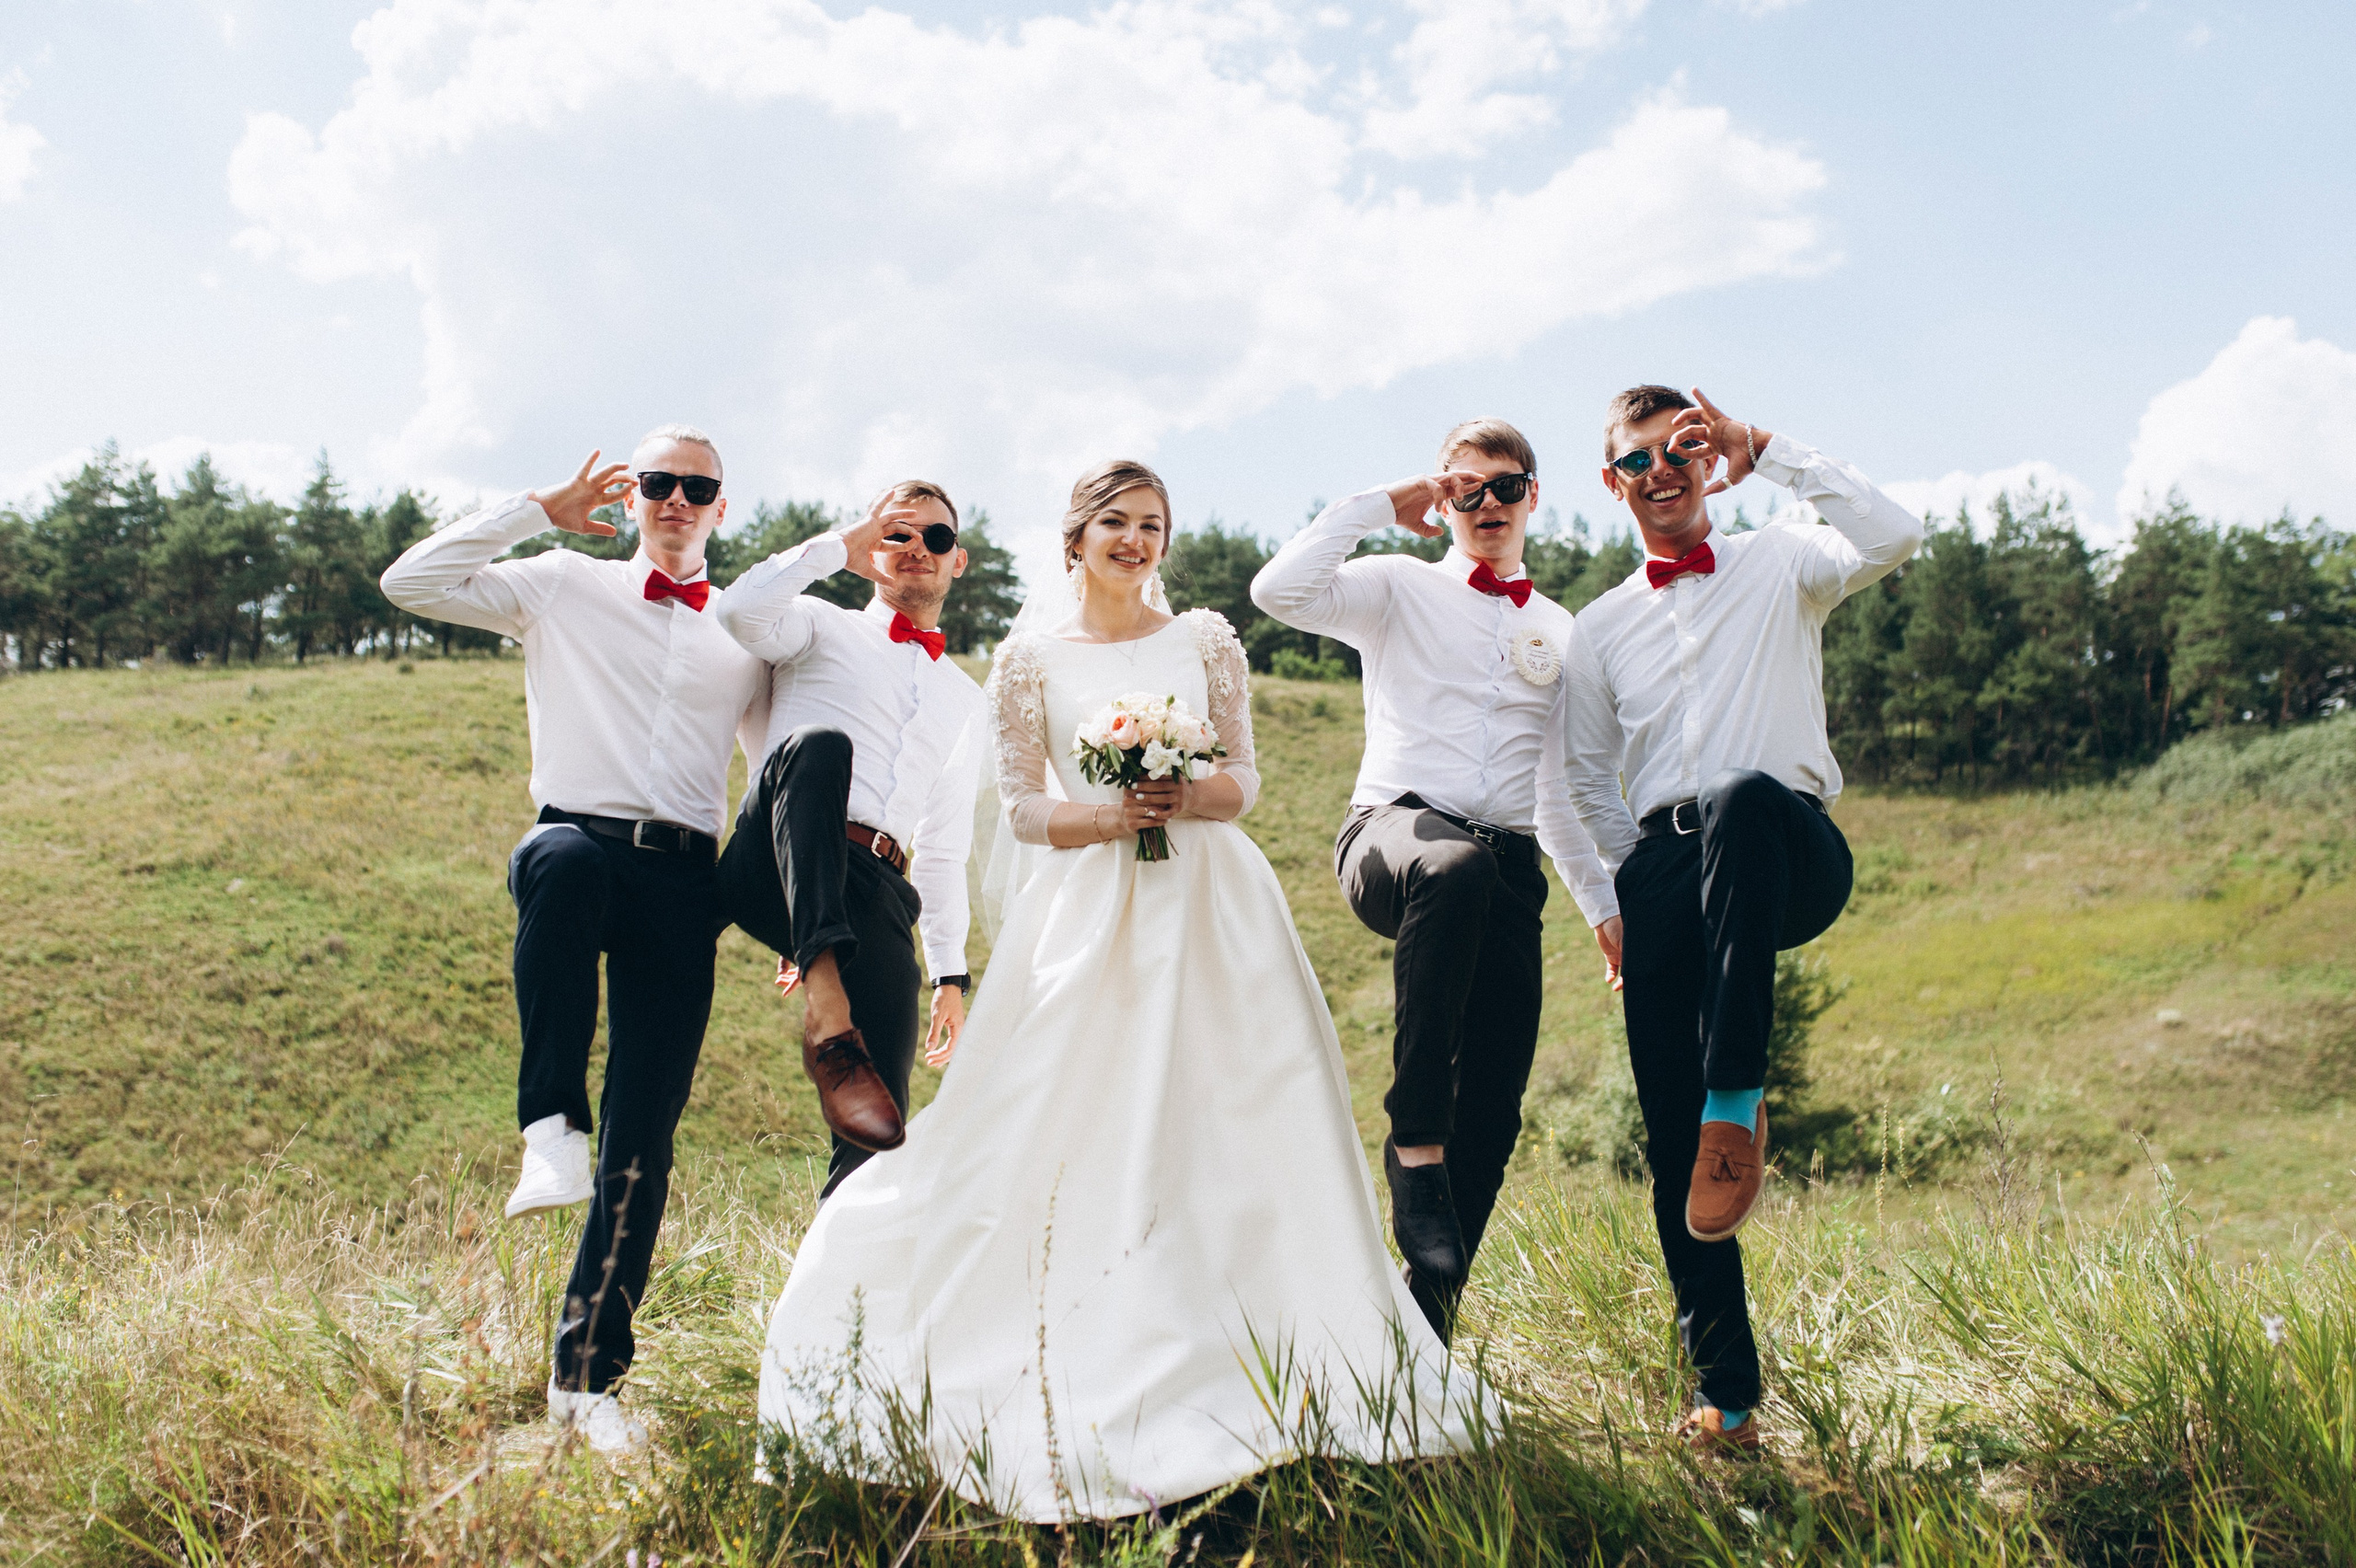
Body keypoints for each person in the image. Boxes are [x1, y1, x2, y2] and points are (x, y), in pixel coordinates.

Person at [755, 460, 1471, 1521]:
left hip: (1216, 911)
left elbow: (1245, 783)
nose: (1135, 542)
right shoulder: (1029, 660)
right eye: (1116, 524)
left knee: (1236, 1116)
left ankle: (1265, 1344)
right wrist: (1111, 818)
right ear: (1074, 540)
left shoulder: (1208, 640)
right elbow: (1023, 811)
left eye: (1153, 526)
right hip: (1087, 912)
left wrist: (1186, 793)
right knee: (1061, 1116)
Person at [379, 426, 768, 1453]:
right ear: (631, 498)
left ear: (721, 507)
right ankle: (549, 1125)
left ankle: (586, 1381)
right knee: (557, 862)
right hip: (578, 844)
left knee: (646, 1134)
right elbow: (411, 583)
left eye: (698, 486)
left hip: (684, 880)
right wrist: (531, 512)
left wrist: (794, 908)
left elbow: (776, 765)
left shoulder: (743, 631)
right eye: (658, 483)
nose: (677, 499)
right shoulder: (560, 584)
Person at [1561, 386, 1923, 1454]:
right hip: (1663, 871)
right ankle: (1725, 1398)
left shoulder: (1780, 559)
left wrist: (1767, 450)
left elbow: (1896, 534)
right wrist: (1620, 902)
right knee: (1677, 1148)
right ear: (1613, 479)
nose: (1662, 472)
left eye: (1684, 450)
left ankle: (1739, 1090)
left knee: (1739, 798)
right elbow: (1585, 781)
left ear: (1707, 459)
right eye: (1639, 458)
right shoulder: (1600, 627)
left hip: (1784, 846)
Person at [1250, 419, 1620, 1340]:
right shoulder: (1396, 588)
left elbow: (1559, 790)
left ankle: (1425, 1323)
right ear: (1446, 499)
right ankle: (1412, 1141)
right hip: (1393, 839)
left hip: (1508, 867)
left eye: (1505, 487)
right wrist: (1390, 501)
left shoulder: (1559, 630)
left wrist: (1603, 908)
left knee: (1494, 1103)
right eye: (1468, 488)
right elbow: (1277, 589)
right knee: (1450, 866)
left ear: (1535, 494)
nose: (1487, 504)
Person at [710, 481, 985, 1194]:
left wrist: (951, 974)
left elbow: (945, 844)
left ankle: (836, 1304)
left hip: (878, 894)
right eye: (898, 535)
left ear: (959, 561)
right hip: (776, 855)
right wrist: (840, 545)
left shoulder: (966, 700)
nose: (918, 549)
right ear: (871, 550)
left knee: (877, 1135)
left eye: (937, 538)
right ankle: (828, 1012)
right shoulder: (817, 624)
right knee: (821, 746)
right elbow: (738, 609)